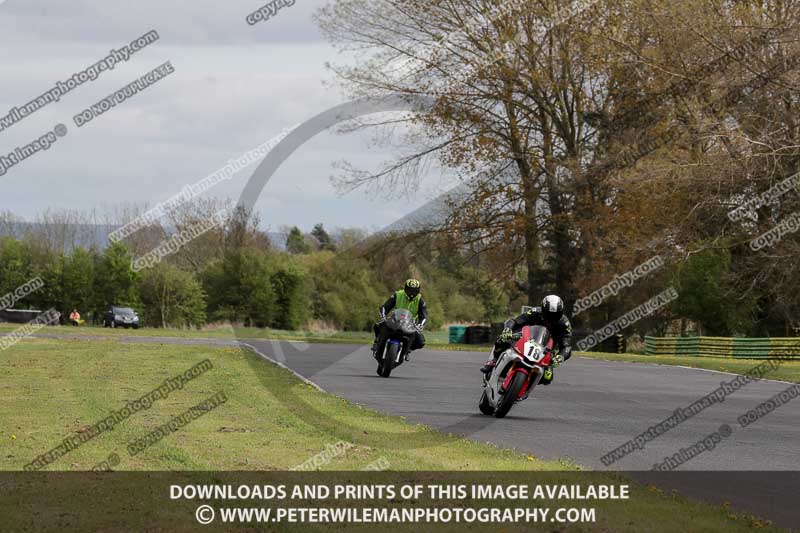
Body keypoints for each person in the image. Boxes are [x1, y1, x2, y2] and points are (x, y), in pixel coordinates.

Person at [480, 295, 572, 385]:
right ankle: (493, 361)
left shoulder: (564, 324)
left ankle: (523, 386)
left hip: (545, 349)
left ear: (561, 312)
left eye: (555, 315)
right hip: (525, 338)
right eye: (548, 314)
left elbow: (566, 347)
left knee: (547, 377)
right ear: (543, 310)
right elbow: (514, 321)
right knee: (503, 339)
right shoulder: (535, 312)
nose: (551, 318)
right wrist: (508, 329)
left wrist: (560, 357)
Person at [372, 279, 428, 361]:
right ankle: (377, 343)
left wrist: (420, 325)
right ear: (405, 289)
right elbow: (385, 307)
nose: (412, 293)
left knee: (421, 342)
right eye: (410, 290)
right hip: (395, 320)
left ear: (418, 291)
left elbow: (424, 316)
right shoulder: (398, 294)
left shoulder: (420, 301)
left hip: (410, 324)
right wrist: (383, 317)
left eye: (415, 291)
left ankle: (408, 350)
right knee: (377, 325)